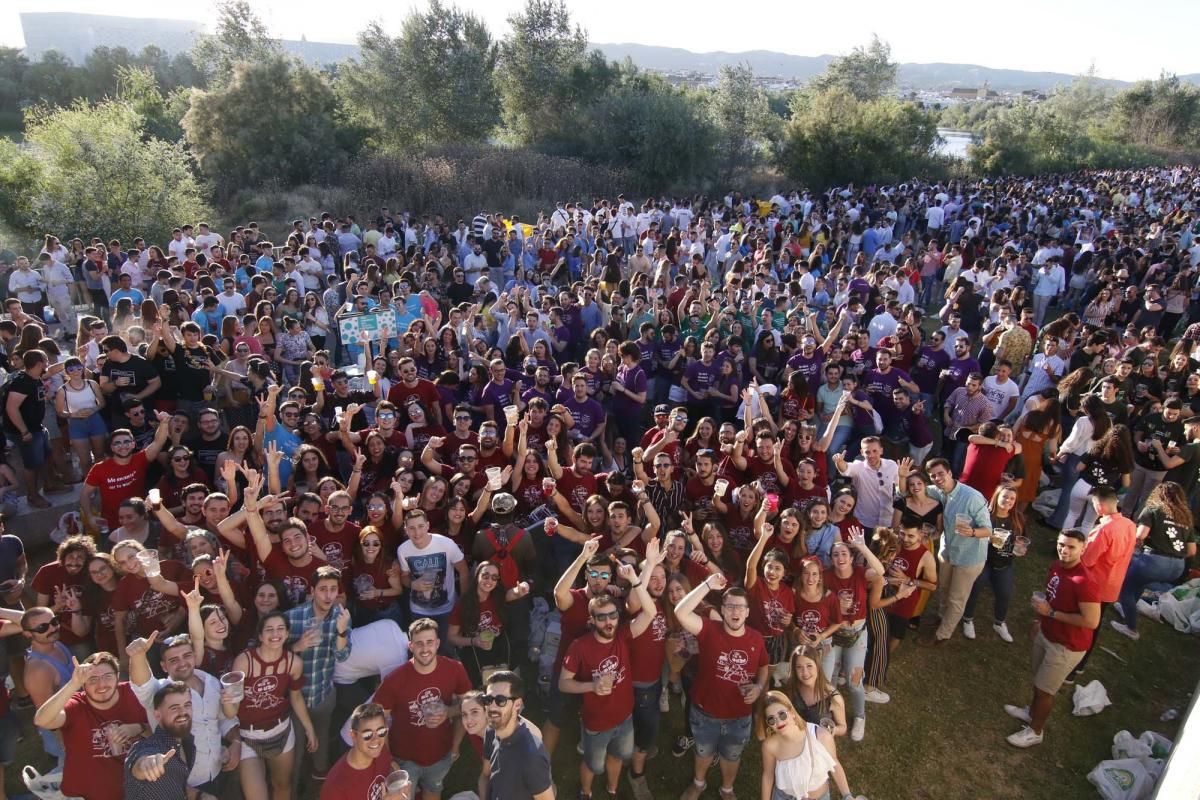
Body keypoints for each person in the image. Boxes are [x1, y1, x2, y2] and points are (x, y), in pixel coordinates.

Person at [559, 542, 659, 800]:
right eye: (601, 617)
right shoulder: (580, 647)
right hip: (595, 723)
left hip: (624, 718)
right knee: (593, 765)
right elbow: (564, 684)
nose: (608, 621)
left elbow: (650, 611)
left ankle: (613, 790)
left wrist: (637, 576)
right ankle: (586, 792)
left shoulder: (624, 636)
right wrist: (591, 686)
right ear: (591, 621)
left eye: (612, 616)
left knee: (617, 757)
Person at [674, 571, 768, 800]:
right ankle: (699, 783)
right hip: (705, 712)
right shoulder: (708, 630)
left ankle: (727, 788)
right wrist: (707, 584)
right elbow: (680, 612)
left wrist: (758, 687)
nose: (735, 611)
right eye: (730, 606)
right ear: (723, 610)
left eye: (740, 607)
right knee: (703, 751)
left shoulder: (756, 639)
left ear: (747, 612)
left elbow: (764, 666)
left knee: (732, 756)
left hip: (740, 716)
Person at [1004, 529, 1100, 748]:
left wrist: (1051, 614)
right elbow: (1051, 597)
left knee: (1045, 690)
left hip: (1066, 646)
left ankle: (1036, 731)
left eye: (1071, 547)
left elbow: (1091, 621)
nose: (1064, 550)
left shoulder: (1084, 582)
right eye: (1061, 544)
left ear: (1083, 549)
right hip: (1047, 633)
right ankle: (1031, 713)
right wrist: (1041, 620)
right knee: (1038, 682)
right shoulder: (1057, 566)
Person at [127, 629, 241, 795]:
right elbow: (142, 684)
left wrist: (236, 743)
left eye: (186, 656)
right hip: (183, 787)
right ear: (164, 666)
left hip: (218, 773)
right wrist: (137, 657)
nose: (182, 663)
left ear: (194, 656)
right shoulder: (159, 691)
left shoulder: (212, 682)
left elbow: (224, 720)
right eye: (174, 660)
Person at [371, 617, 471, 800]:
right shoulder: (394, 680)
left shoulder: (455, 669)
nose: (425, 649)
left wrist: (454, 744)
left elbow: (471, 706)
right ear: (410, 646)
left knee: (433, 792)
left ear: (438, 643)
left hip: (441, 755)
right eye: (419, 644)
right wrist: (388, 760)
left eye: (430, 642)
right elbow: (375, 720)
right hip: (403, 759)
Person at [32, 651, 150, 800]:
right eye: (92, 679)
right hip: (84, 795)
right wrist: (73, 684)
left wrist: (139, 727)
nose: (101, 685)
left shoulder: (135, 694)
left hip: (137, 793)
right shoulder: (76, 704)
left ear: (117, 676)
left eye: (107, 676)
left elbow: (164, 733)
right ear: (83, 683)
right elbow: (41, 720)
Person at [903, 458, 991, 646]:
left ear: (950, 472)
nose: (937, 478)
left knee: (956, 597)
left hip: (969, 557)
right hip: (948, 552)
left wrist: (973, 532)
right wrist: (902, 477)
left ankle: (942, 635)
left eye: (940, 473)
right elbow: (908, 491)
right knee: (943, 588)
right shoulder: (938, 492)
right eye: (933, 476)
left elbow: (988, 530)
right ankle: (942, 617)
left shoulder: (972, 497)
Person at [284, 566, 353, 780]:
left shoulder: (341, 617)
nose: (328, 595)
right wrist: (298, 646)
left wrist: (341, 630)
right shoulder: (291, 617)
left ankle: (320, 777)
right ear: (312, 591)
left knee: (321, 742)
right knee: (295, 753)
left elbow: (342, 656)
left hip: (323, 694)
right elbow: (274, 657)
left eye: (333, 589)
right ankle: (293, 786)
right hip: (295, 699)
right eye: (323, 589)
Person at [1111, 481, 1194, 641]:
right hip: (1178, 566)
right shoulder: (1186, 519)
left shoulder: (1153, 510)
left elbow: (1140, 535)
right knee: (1140, 581)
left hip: (1155, 560)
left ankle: (1131, 628)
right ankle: (1126, 608)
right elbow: (1191, 551)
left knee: (1126, 587)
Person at [1070, 485, 1136, 679]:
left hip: (1094, 586)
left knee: (1083, 626)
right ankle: (1080, 665)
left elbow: (1088, 560)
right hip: (1112, 585)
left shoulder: (1104, 530)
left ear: (1099, 505)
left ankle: (1073, 667)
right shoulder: (1129, 525)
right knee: (1095, 626)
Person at [756, 690, 857, 800]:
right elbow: (768, 777)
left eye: (782, 715)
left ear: (792, 713)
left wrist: (847, 795)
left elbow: (835, 763)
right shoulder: (770, 746)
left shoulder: (820, 736)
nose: (779, 722)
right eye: (771, 719)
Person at [123, 681, 211, 800]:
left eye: (187, 705)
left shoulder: (188, 744)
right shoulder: (148, 746)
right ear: (158, 715)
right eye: (174, 708)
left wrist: (200, 795)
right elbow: (140, 761)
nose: (183, 712)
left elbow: (176, 785)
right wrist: (148, 764)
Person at [961, 485, 1025, 644]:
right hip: (984, 561)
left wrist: (1021, 549)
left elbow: (1021, 541)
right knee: (975, 588)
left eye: (1012, 498)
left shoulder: (1018, 519)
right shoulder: (985, 516)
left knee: (1005, 593)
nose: (1008, 501)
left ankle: (999, 623)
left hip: (1004, 563)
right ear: (996, 497)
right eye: (1005, 497)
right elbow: (971, 537)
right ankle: (967, 619)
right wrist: (987, 538)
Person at [480, 670, 554, 800]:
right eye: (488, 699)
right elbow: (485, 775)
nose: (491, 707)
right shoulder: (491, 731)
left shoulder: (532, 757)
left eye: (500, 700)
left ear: (517, 704)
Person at [321, 702, 409, 800]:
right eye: (367, 735)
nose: (376, 740)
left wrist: (397, 780)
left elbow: (390, 764)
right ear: (353, 735)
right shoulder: (336, 787)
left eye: (381, 732)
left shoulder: (381, 750)